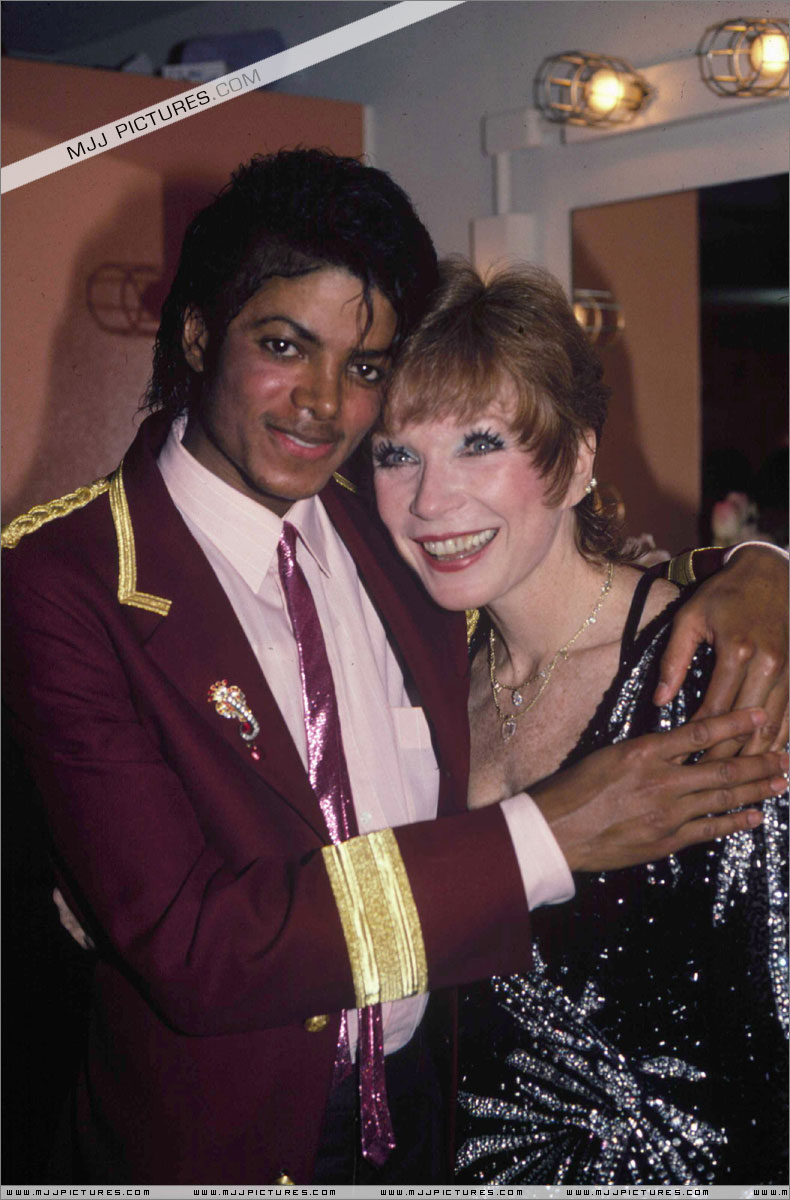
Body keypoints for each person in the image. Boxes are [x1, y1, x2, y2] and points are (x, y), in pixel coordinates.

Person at [2, 151, 787, 1187]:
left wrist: (758, 568)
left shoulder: (387, 537)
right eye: (284, 345)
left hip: (443, 1132)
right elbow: (196, 947)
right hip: (227, 1144)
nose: (324, 404)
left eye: (366, 367)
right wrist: (549, 833)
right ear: (197, 335)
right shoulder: (68, 580)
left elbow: (558, 565)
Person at [371, 259, 789, 1185]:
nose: (431, 500)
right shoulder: (419, 681)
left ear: (576, 460)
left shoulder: (719, 677)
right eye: (397, 454)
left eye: (480, 443)